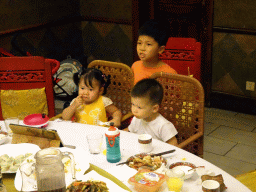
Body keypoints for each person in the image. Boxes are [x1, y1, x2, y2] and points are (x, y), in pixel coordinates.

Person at [124, 78, 178, 146]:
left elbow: (174, 147)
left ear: (154, 108)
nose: (134, 110)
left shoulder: (163, 126)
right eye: (133, 104)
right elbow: (129, 132)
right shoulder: (136, 119)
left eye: (139, 107)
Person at [132, 19, 177, 85]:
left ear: (160, 49)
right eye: (139, 43)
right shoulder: (135, 66)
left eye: (148, 44)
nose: (142, 48)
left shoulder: (169, 73)